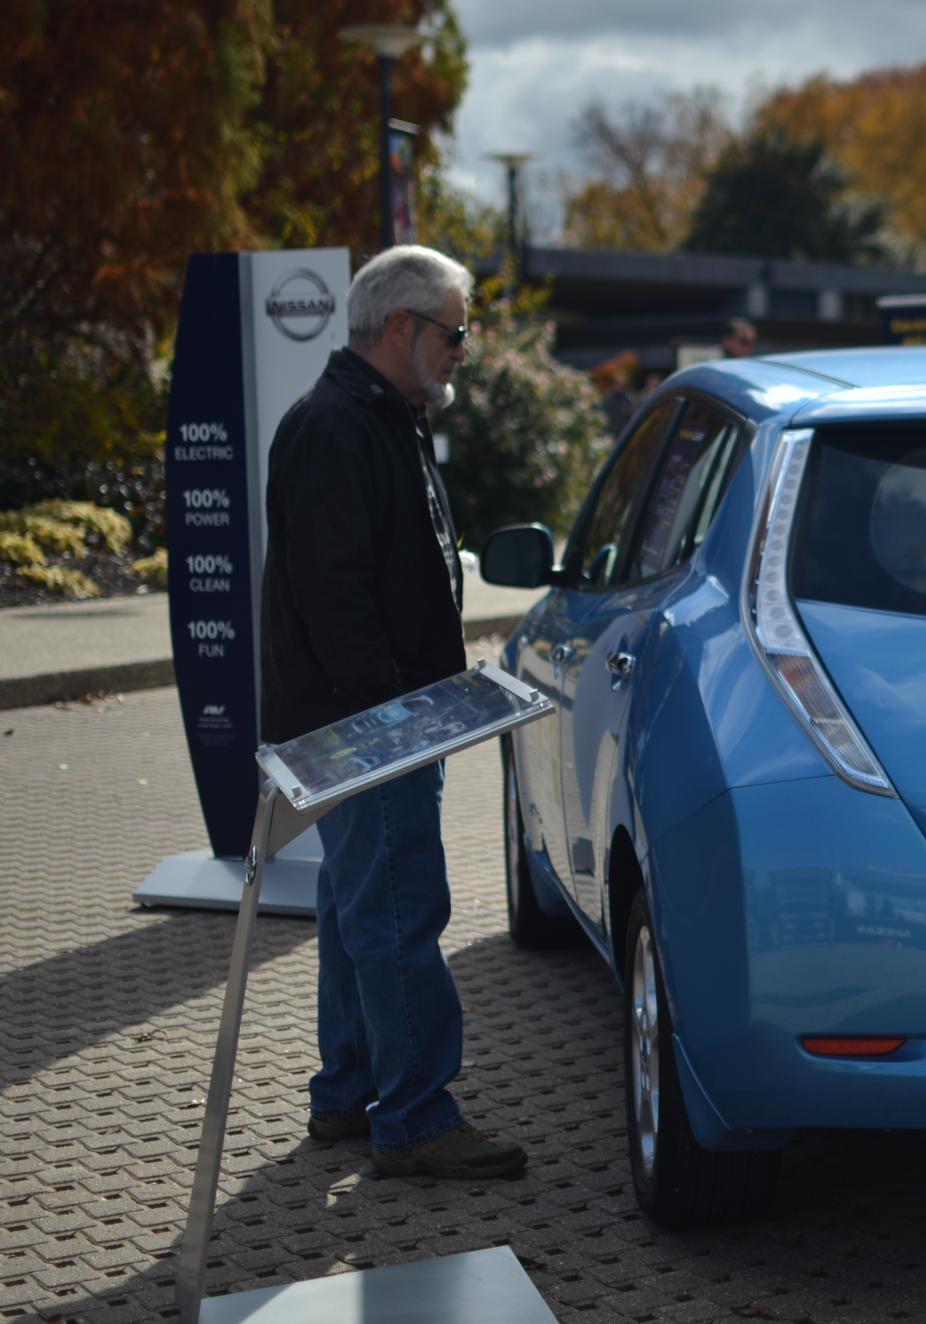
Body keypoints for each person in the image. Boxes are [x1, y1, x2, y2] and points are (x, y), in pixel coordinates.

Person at [260, 245, 527, 1180]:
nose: (465, 348)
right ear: (402, 327)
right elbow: (333, 595)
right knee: (399, 910)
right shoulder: (339, 425)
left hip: (369, 717)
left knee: (356, 906)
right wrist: (401, 717)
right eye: (455, 331)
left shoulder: (375, 414)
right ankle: (414, 1116)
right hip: (367, 724)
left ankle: (347, 1092)